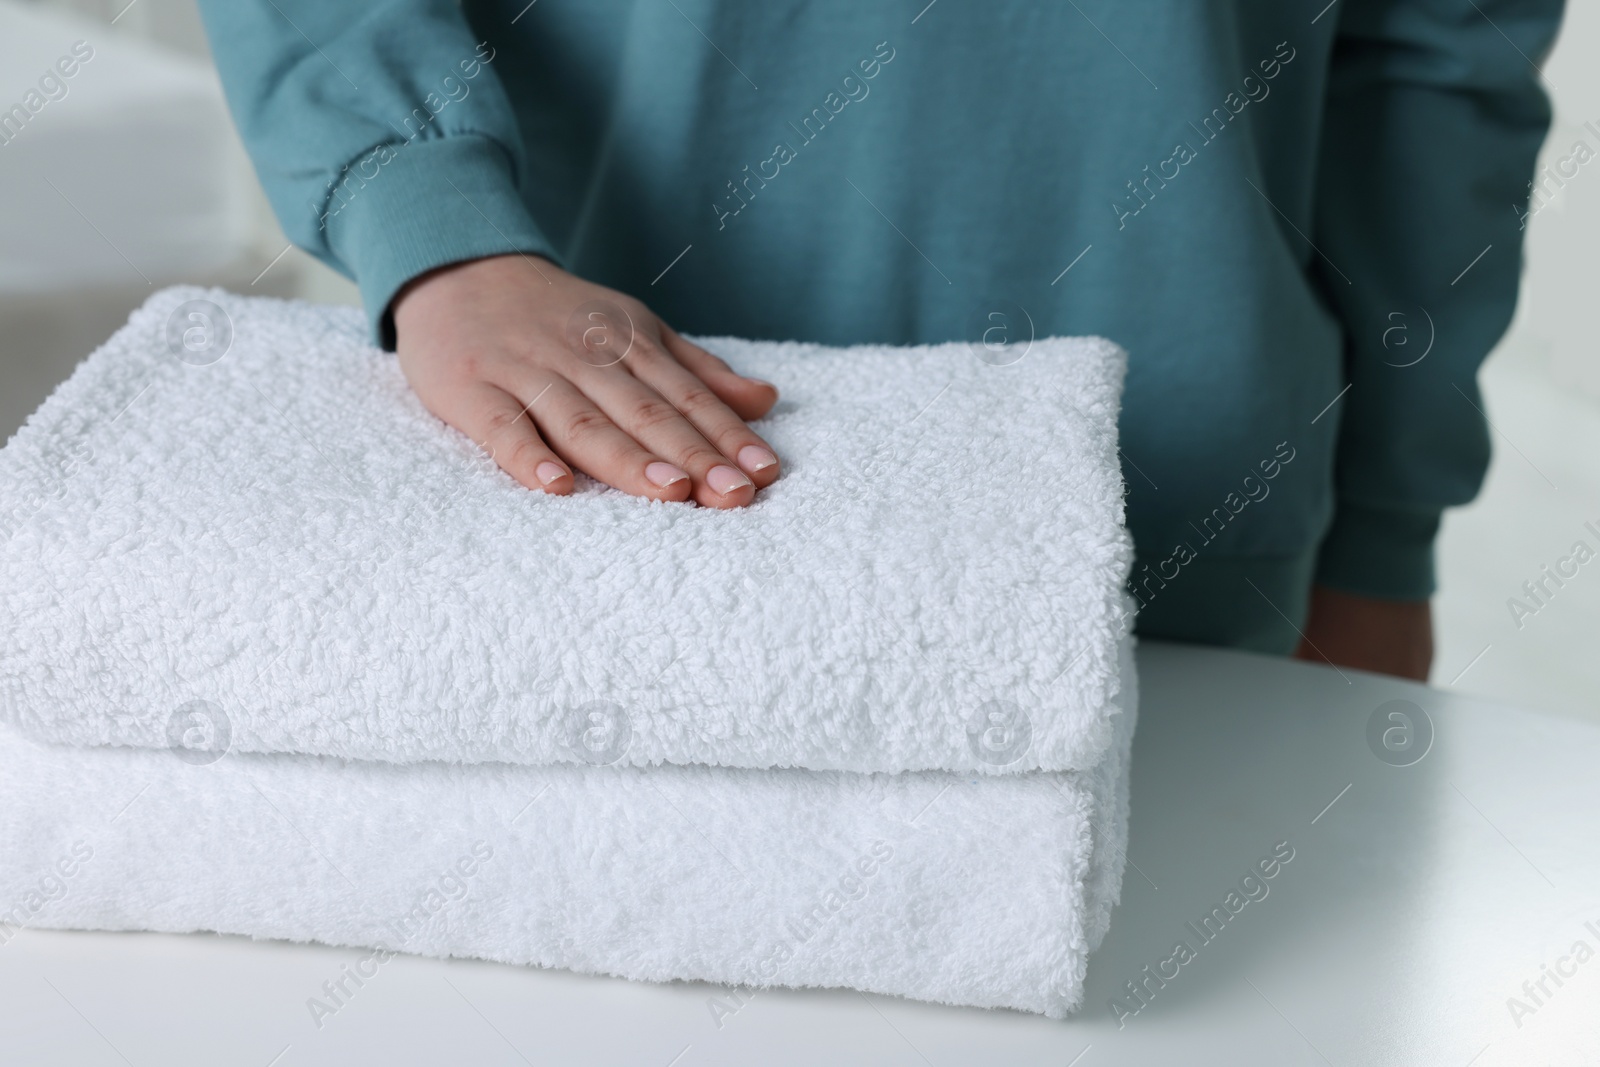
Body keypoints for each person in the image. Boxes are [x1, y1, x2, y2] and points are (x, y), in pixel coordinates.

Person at [195, 0, 1564, 680]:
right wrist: (439, 231)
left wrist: (1387, 528)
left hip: (1174, 532)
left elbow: (1439, 56)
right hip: (587, 476)